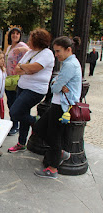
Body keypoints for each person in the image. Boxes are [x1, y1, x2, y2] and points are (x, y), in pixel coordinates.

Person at [34, 36, 82, 179]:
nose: (56, 55)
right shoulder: (69, 62)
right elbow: (56, 83)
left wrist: (57, 85)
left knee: (54, 136)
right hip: (57, 104)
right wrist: (58, 84)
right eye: (55, 51)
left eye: (58, 51)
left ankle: (53, 169)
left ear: (68, 49)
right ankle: (60, 153)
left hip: (62, 106)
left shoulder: (70, 65)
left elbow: (54, 88)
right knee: (39, 128)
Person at [8, 28, 55, 153]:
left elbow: (35, 68)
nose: (28, 41)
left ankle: (36, 121)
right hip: (22, 87)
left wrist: (25, 68)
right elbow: (17, 69)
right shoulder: (30, 52)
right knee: (23, 114)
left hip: (35, 90)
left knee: (15, 112)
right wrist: (25, 68)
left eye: (31, 39)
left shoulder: (47, 53)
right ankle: (21, 143)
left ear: (38, 41)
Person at [4, 28, 29, 135]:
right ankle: (13, 123)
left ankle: (15, 125)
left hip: (17, 78)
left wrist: (24, 50)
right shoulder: (10, 47)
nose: (15, 35)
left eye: (17, 33)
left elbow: (31, 53)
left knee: (14, 102)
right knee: (10, 102)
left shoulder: (22, 45)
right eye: (13, 33)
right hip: (9, 78)